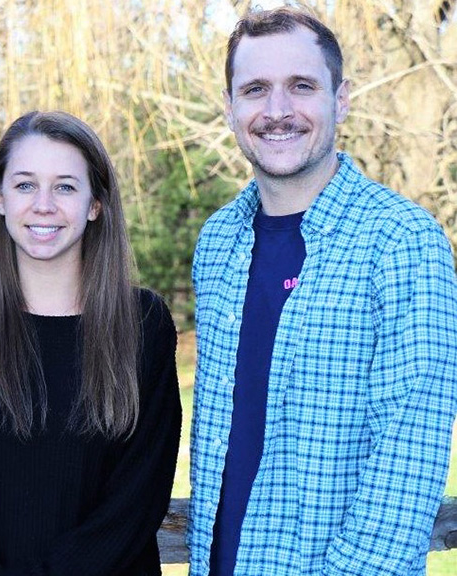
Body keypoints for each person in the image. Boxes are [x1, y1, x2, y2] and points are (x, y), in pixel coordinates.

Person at [186, 7, 457, 576]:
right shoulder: (217, 243)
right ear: (231, 106)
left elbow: (406, 468)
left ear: (342, 98)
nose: (277, 111)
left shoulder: (402, 241)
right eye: (255, 89)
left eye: (302, 86)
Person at [0, 110, 182, 575]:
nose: (44, 204)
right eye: (25, 184)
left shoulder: (143, 326)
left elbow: (137, 497)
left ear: (96, 204)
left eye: (66, 186)